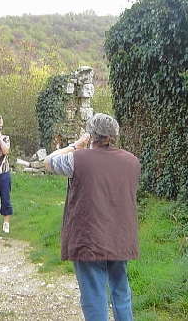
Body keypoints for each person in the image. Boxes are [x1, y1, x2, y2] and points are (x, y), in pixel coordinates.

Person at [44, 113, 141, 321]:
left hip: (90, 238)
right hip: (121, 237)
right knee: (121, 292)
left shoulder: (78, 159)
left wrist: (75, 146)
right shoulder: (132, 162)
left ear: (92, 135)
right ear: (114, 135)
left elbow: (49, 161)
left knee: (94, 294)